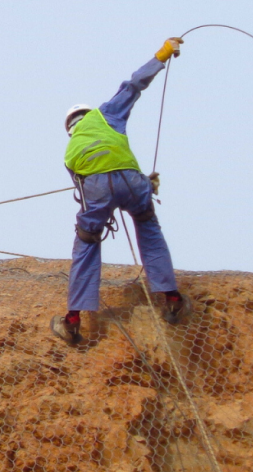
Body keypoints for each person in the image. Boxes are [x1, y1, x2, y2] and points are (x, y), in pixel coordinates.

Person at [53, 38, 192, 345]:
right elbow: (133, 85)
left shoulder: (69, 152)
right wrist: (162, 55)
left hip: (97, 189)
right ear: (88, 114)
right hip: (132, 181)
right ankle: (172, 299)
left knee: (87, 242)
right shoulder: (105, 114)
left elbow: (86, 191)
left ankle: (73, 320)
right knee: (148, 226)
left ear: (69, 128)